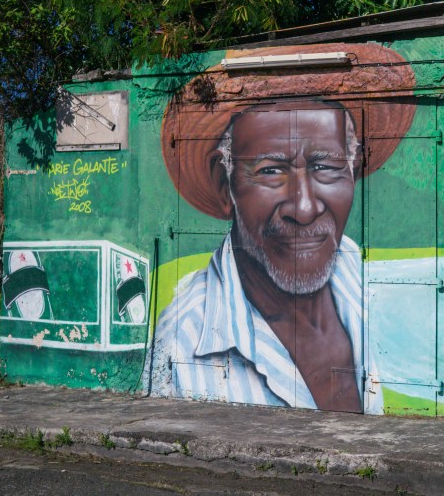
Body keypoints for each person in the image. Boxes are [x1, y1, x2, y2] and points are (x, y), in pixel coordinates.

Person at [145, 44, 416, 413]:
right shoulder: (183, 347)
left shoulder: (357, 273)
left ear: (352, 170)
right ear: (225, 185)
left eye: (326, 167)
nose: (304, 208)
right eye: (270, 171)